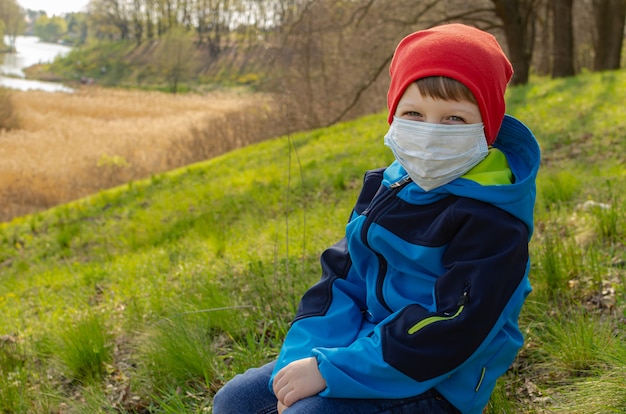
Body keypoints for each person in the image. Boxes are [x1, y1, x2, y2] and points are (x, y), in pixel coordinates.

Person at [212, 23, 540, 414]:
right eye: (414, 113)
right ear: (393, 115)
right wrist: (301, 361)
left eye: (453, 119)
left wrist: (331, 371)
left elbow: (453, 332)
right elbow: (341, 281)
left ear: (487, 127)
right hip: (366, 348)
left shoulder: (494, 222)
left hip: (438, 379)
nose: (431, 135)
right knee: (234, 401)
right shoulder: (390, 186)